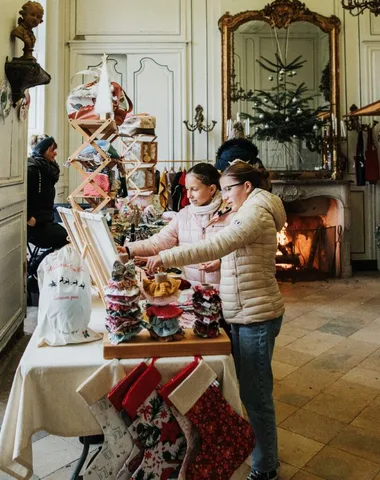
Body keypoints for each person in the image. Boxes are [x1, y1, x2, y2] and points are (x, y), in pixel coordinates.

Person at [145, 161, 286, 480]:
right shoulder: (249, 209)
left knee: (256, 395)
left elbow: (220, 242)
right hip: (243, 310)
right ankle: (260, 453)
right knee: (246, 389)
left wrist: (167, 257)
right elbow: (239, 251)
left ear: (246, 187)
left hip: (256, 314)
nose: (224, 196)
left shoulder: (255, 211)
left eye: (227, 189)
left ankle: (265, 468)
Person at [119, 162, 230, 287]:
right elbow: (158, 242)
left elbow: (242, 253)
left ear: (212, 189)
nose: (189, 196)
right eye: (187, 189)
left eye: (194, 189)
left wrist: (221, 261)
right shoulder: (183, 216)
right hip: (194, 292)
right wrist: (129, 249)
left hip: (225, 292)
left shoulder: (229, 215)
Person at [27, 135, 68, 250]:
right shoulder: (32, 169)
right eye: (52, 150)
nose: (55, 153)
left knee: (70, 236)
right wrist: (29, 219)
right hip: (36, 227)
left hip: (46, 221)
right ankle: (40, 265)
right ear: (42, 151)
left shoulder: (47, 170)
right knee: (68, 238)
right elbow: (21, 197)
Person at [215, 121, 272, 191]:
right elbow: (266, 185)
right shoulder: (255, 160)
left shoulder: (220, 162)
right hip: (252, 197)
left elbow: (215, 185)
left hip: (226, 197)